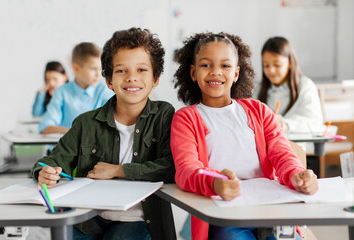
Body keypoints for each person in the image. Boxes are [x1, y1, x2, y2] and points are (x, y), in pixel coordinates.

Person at [170, 32, 319, 240]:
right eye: (206, 65)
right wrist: (215, 183)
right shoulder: (186, 119)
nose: (215, 72)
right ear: (193, 73)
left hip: (269, 209)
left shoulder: (259, 111)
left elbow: (282, 153)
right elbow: (186, 170)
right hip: (225, 213)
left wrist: (297, 173)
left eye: (225, 66)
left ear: (237, 73)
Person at [31, 27, 176, 240]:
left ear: (156, 78)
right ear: (108, 80)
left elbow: (171, 166)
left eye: (142, 70)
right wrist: (43, 172)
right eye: (121, 70)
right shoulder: (86, 122)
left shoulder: (164, 115)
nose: (131, 78)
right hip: (89, 218)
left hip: (137, 219)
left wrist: (119, 170)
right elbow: (51, 160)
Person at [38, 42, 113, 134]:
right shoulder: (61, 92)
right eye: (93, 69)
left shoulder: (105, 91)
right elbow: (45, 127)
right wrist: (77, 133)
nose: (99, 74)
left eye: (100, 68)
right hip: (64, 147)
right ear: (76, 68)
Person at [255, 36, 323, 132]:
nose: (271, 70)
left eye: (277, 65)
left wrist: (285, 124)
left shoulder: (305, 86)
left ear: (290, 62)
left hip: (299, 145)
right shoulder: (259, 89)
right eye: (266, 65)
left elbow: (314, 122)